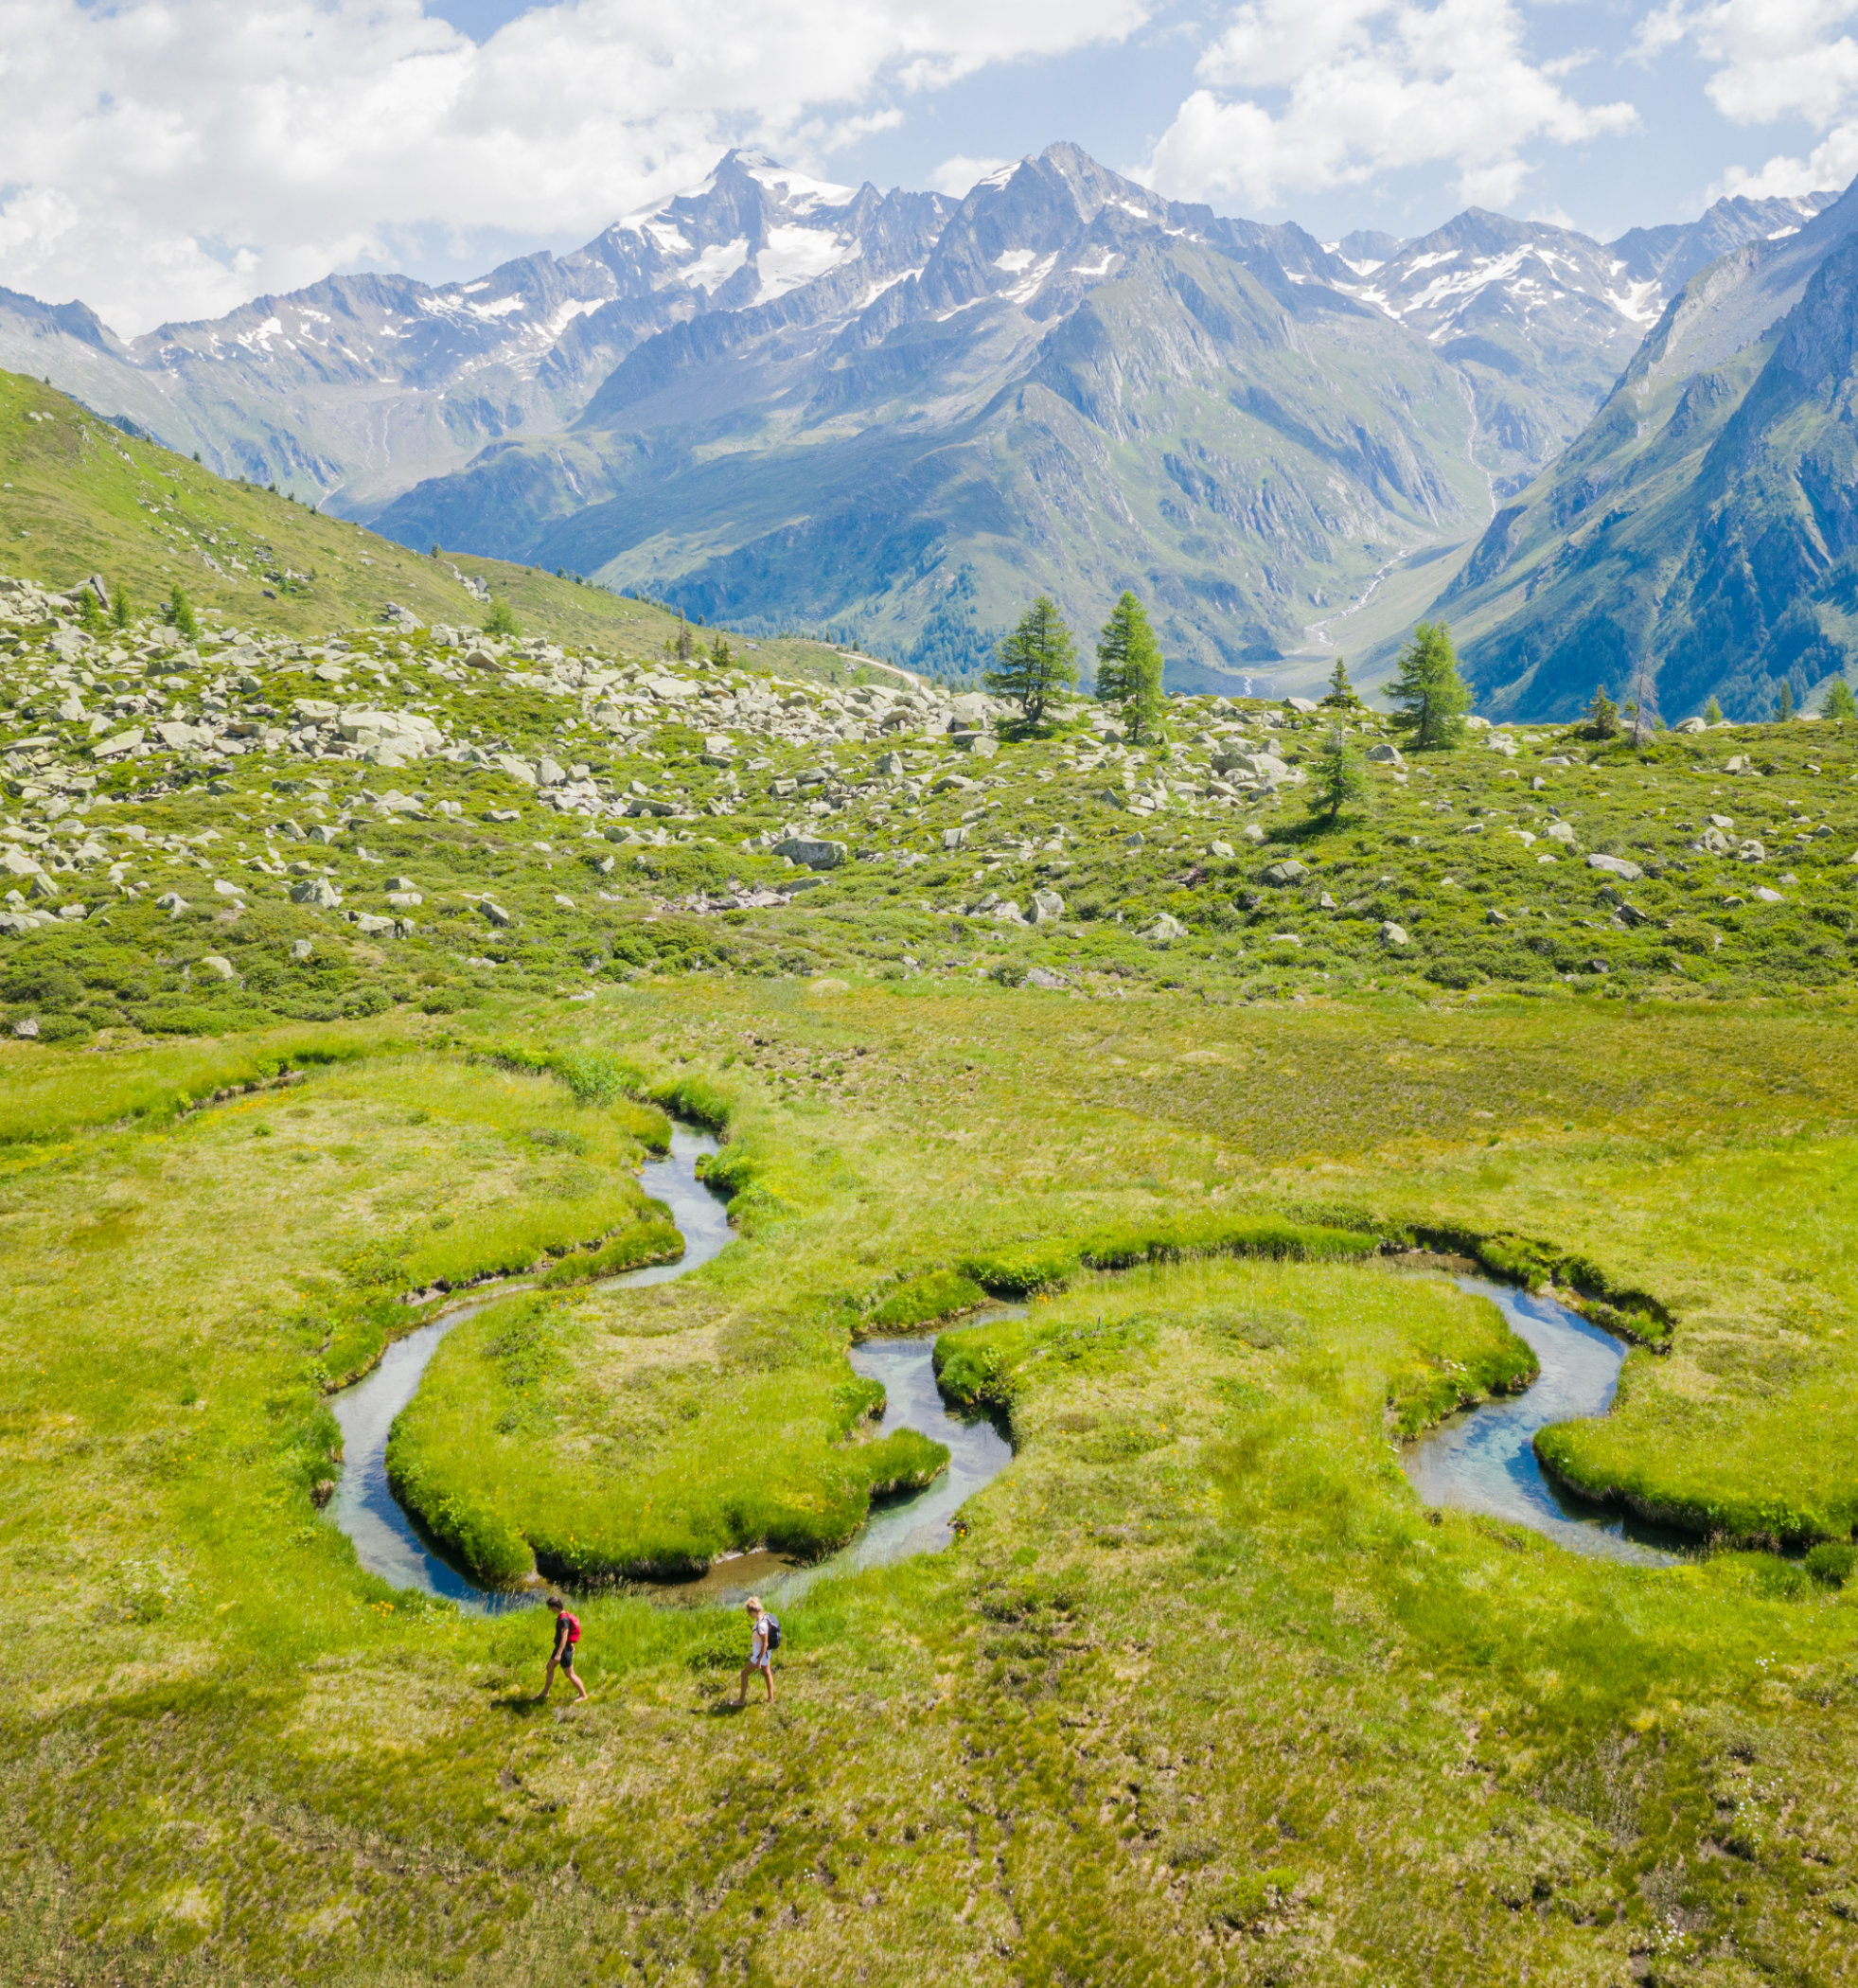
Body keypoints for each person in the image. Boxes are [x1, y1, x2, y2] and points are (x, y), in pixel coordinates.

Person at [538, 1595, 588, 1703]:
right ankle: (545, 1692)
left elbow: (564, 1636)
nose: (549, 1610)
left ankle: (583, 1695)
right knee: (549, 1667)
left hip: (563, 1651)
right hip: (561, 1648)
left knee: (570, 1674)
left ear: (554, 1607)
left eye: (549, 1607)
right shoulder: (564, 1615)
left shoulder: (563, 1619)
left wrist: (559, 1654)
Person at [734, 1595, 774, 1707]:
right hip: (765, 1654)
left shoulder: (761, 1625)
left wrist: (759, 1661)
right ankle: (771, 1699)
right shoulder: (764, 1618)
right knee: (767, 1674)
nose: (748, 1615)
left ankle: (741, 1701)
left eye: (748, 1612)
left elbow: (765, 1643)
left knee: (744, 1673)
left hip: (760, 1655)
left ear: (753, 1611)